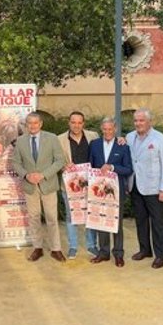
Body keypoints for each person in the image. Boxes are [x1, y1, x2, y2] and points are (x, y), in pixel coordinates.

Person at [12, 112, 67, 262]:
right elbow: (15, 162)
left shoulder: (52, 138)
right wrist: (26, 175)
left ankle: (56, 249)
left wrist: (43, 175)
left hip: (47, 185)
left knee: (51, 218)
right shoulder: (21, 141)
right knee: (34, 218)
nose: (33, 126)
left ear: (41, 124)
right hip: (30, 187)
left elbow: (60, 160)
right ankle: (37, 248)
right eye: (29, 123)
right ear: (26, 125)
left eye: (35, 123)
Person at [126, 109, 163, 269]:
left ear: (149, 122)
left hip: (154, 188)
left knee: (158, 223)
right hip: (135, 186)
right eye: (136, 121)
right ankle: (145, 249)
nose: (138, 123)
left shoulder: (161, 139)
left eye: (141, 120)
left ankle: (160, 255)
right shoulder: (129, 137)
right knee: (141, 220)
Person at [88, 117, 133, 267]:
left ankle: (118, 254)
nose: (107, 132)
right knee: (101, 221)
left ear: (115, 129)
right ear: (102, 129)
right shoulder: (94, 145)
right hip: (99, 191)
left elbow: (128, 169)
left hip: (116, 191)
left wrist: (112, 167)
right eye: (105, 129)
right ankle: (104, 253)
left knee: (116, 223)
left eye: (110, 129)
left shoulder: (123, 146)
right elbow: (90, 166)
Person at [57, 111, 99, 259]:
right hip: (70, 186)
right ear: (69, 123)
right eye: (73, 122)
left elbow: (104, 148)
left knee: (91, 215)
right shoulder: (60, 139)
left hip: (90, 184)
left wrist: (120, 139)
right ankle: (73, 246)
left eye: (79, 122)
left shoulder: (93, 136)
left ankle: (92, 245)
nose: (76, 125)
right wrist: (64, 166)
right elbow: (55, 159)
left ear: (83, 123)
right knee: (71, 217)